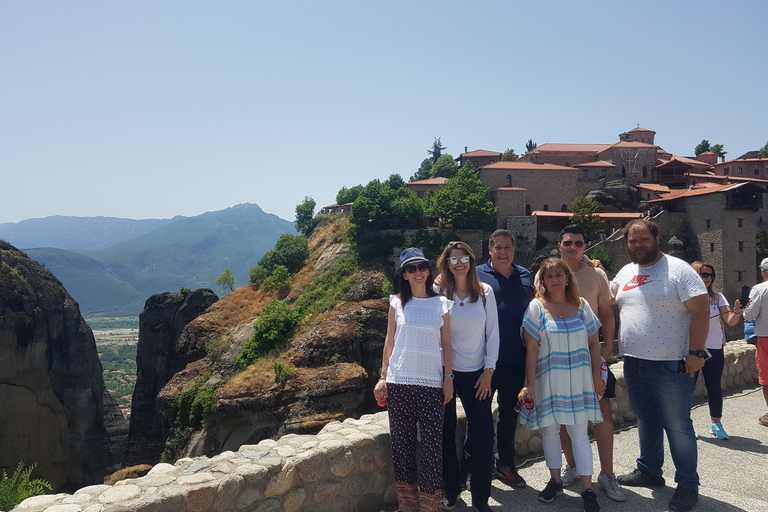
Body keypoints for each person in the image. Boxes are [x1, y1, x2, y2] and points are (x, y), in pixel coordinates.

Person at [611, 219, 709, 512]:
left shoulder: (679, 270)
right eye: (632, 241)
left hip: (671, 363)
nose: (638, 245)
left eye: (643, 239)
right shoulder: (628, 271)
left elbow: (701, 309)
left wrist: (696, 352)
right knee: (646, 419)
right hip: (634, 361)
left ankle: (688, 485)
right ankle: (650, 471)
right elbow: (607, 295)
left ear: (656, 237)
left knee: (678, 425)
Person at [519, 257, 605, 512]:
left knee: (579, 434)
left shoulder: (581, 306)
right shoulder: (536, 308)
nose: (555, 280)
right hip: (548, 380)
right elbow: (531, 349)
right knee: (550, 432)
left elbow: (593, 344)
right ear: (542, 281)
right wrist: (530, 385)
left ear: (568, 278)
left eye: (559, 275)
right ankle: (555, 481)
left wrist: (597, 376)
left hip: (579, 380)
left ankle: (587, 489)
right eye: (549, 276)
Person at [546, 225, 624, 502]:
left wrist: (608, 346)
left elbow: (607, 313)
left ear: (584, 246)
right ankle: (574, 467)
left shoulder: (597, 274)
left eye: (578, 243)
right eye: (568, 242)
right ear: (560, 245)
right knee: (564, 416)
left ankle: (607, 474)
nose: (573, 247)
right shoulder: (547, 274)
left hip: (590, 355)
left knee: (602, 412)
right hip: (558, 359)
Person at [374, 248, 454, 512]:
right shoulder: (397, 303)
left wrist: (448, 378)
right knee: (402, 446)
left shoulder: (442, 303)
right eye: (411, 269)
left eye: (421, 267)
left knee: (432, 447)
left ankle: (430, 506)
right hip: (399, 381)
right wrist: (383, 377)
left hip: (431, 382)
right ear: (404, 275)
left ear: (428, 270)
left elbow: (446, 343)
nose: (418, 272)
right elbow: (389, 340)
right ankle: (408, 505)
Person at [436, 241, 499, 512]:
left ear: (472, 261)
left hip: (477, 375)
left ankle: (481, 497)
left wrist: (488, 371)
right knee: (445, 433)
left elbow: (493, 334)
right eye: (452, 259)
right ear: (446, 263)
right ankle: (452, 490)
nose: (458, 263)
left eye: (463, 258)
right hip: (445, 373)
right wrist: (446, 375)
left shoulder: (484, 292)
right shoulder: (438, 291)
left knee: (484, 434)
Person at [476, 229, 534, 488]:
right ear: (489, 250)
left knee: (509, 415)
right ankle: (476, 465)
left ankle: (505, 463)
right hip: (484, 361)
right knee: (480, 414)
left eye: (507, 247)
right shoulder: (476, 274)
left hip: (516, 358)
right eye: (497, 247)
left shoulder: (525, 275)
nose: (502, 251)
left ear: (514, 249)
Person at [691, 261, 744, 439]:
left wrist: (737, 311)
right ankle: (686, 424)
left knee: (714, 388)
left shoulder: (718, 297)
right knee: (688, 388)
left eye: (711, 275)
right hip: (693, 348)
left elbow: (729, 320)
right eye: (704, 274)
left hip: (714, 348)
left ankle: (716, 423)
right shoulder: (687, 296)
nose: (708, 279)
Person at [740, 257, 768, 427]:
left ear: (763, 272)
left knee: (767, 378)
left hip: (765, 338)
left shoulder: (759, 289)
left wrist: (743, 310)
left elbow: (749, 314)